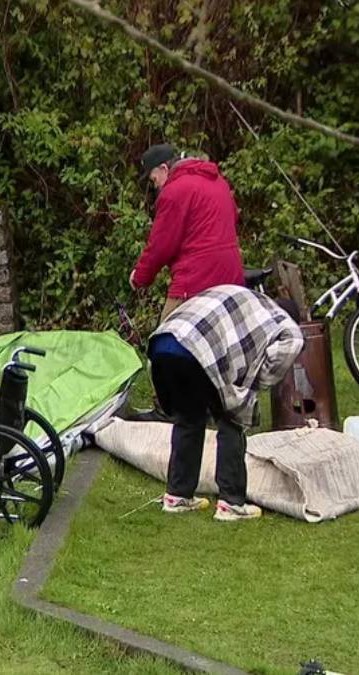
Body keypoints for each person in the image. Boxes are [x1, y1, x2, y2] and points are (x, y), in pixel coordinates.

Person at [148, 284, 303, 521]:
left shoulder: (249, 300)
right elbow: (292, 344)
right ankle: (231, 503)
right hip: (199, 350)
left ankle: (177, 496)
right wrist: (258, 381)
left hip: (162, 344)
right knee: (232, 418)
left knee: (189, 419)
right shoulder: (283, 322)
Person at [130, 143, 245, 321]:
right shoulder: (218, 182)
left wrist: (140, 277)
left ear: (163, 168)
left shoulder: (174, 191)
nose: (156, 186)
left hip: (196, 280)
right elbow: (233, 216)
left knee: (166, 338)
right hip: (232, 277)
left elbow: (161, 246)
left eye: (154, 180)